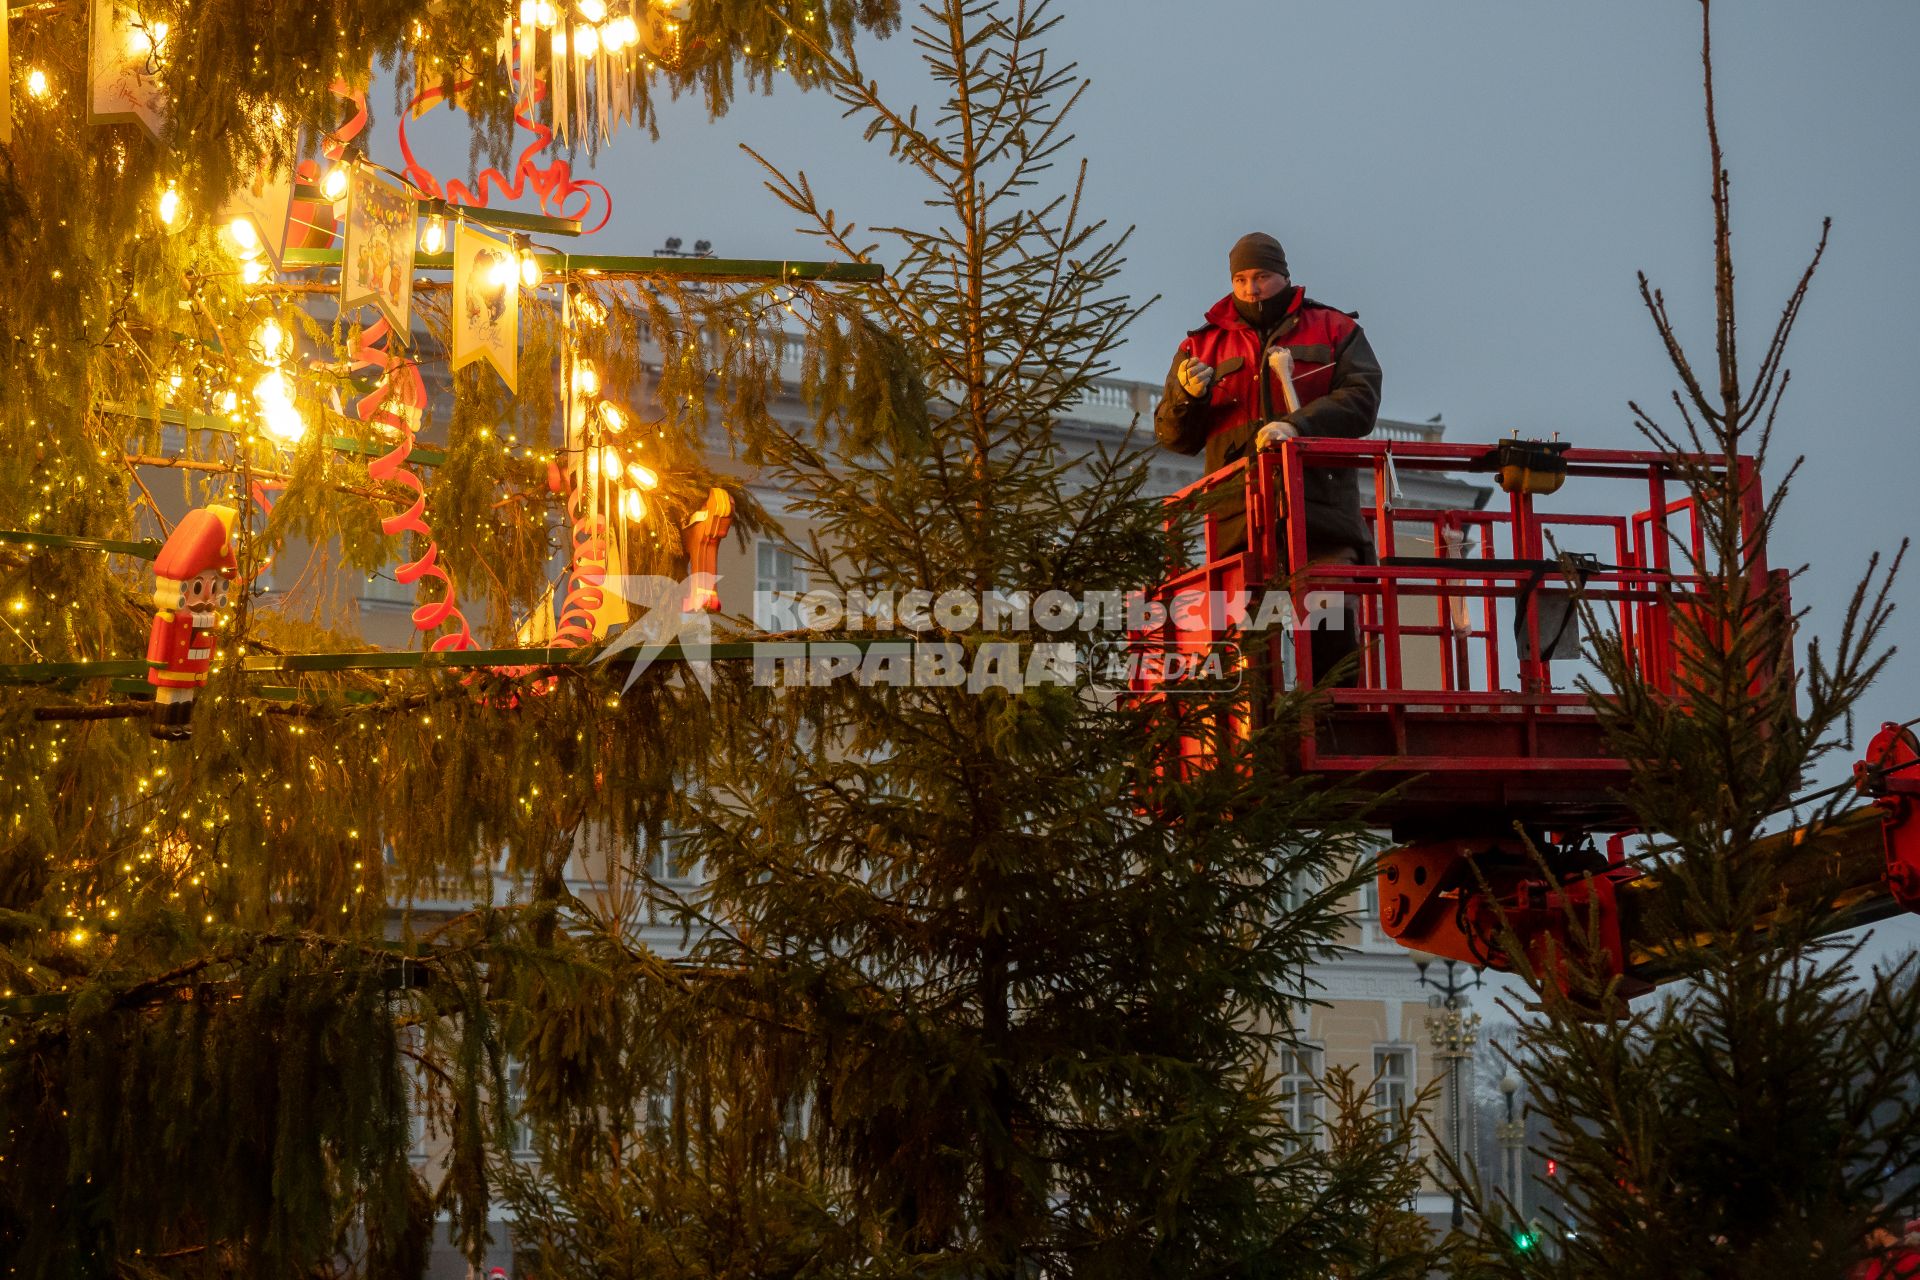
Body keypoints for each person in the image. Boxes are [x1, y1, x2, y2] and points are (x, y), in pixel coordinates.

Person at [1154, 231, 1383, 684]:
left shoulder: (1335, 330)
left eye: (1261, 276)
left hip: (1321, 511)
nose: (1251, 289)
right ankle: (1260, 724)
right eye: (1241, 279)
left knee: (1329, 614)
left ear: (1284, 275)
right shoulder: (1199, 348)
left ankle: (1335, 718)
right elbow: (1174, 437)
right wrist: (1187, 397)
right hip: (1237, 518)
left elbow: (1362, 399)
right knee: (1248, 636)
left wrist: (1300, 425)